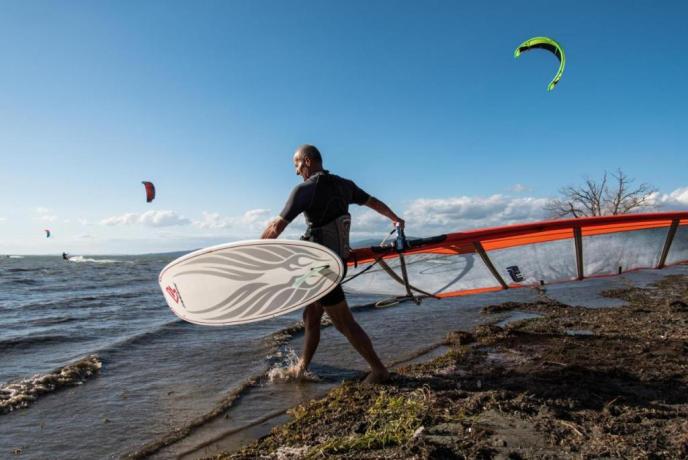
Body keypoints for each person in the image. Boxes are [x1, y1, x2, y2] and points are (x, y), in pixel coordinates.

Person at [261, 144, 405, 384]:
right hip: (336, 263)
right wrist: (395, 218)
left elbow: (276, 227)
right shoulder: (344, 185)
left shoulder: (305, 190)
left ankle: (379, 370)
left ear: (307, 161)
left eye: (296, 164)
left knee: (344, 322)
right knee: (311, 316)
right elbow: (373, 202)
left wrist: (254, 256)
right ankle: (301, 368)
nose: (296, 171)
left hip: (321, 270)